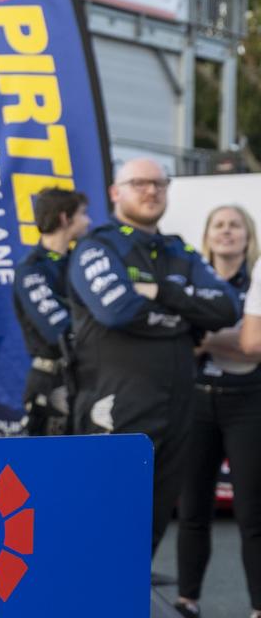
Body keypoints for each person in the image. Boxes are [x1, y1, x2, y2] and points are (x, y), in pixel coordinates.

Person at [68, 158, 238, 559]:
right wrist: (184, 315)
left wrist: (158, 292)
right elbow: (117, 310)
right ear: (115, 192)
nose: (151, 191)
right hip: (116, 405)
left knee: (152, 524)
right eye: (139, 183)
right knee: (101, 522)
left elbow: (225, 308)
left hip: (177, 406)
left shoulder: (180, 250)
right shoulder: (98, 246)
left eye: (160, 183)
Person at [176, 205, 261, 618]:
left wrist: (209, 339)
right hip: (196, 400)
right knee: (192, 508)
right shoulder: (192, 281)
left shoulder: (257, 282)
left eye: (235, 225)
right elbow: (178, 339)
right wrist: (234, 339)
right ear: (207, 235)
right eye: (219, 225)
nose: (227, 232)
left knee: (252, 512)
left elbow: (253, 347)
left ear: (249, 236)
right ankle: (187, 599)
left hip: (249, 401)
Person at [12, 188, 90, 436]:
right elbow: (56, 328)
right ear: (65, 218)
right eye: (83, 214)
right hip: (52, 380)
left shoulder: (82, 260)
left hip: (87, 378)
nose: (88, 220)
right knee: (51, 467)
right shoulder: (31, 269)